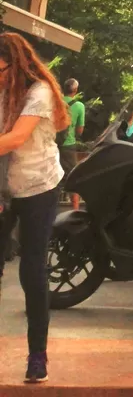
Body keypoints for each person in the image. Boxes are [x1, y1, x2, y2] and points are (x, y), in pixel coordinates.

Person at [0, 31, 73, 384]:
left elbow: (15, 138)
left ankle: (37, 356)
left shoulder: (39, 92)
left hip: (39, 189)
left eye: (0, 71)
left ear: (16, 65)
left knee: (32, 272)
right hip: (4, 190)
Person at [60, 78, 85, 211]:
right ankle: (75, 210)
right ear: (75, 90)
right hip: (68, 145)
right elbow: (80, 131)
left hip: (52, 144)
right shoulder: (79, 106)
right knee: (72, 177)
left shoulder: (56, 102)